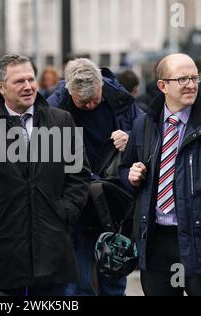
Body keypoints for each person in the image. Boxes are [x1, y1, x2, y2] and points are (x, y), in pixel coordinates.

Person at [119, 53, 201, 296]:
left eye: (194, 77)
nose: (191, 84)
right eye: (182, 79)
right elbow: (124, 171)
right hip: (155, 243)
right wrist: (130, 175)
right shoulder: (143, 125)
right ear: (162, 85)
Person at [0, 54, 91, 296]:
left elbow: (79, 176)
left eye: (31, 79)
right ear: (1, 87)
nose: (28, 86)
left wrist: (63, 211)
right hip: (6, 249)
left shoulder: (61, 120)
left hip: (52, 247)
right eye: (19, 81)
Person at [47, 58, 141, 296]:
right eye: (82, 102)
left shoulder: (120, 99)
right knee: (77, 283)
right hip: (75, 201)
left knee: (114, 276)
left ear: (101, 85)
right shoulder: (54, 106)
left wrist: (131, 139)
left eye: (94, 100)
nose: (89, 106)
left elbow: (149, 135)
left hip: (113, 200)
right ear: (70, 91)